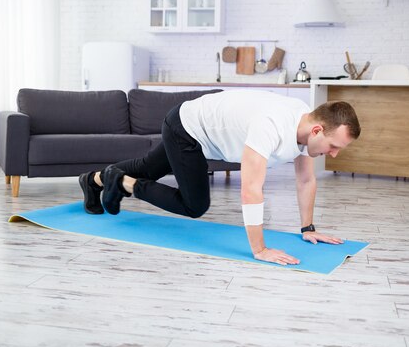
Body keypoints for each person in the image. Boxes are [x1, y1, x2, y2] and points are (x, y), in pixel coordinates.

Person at [79, 90, 360, 266]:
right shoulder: (271, 125)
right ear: (317, 131)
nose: (333, 155)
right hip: (187, 127)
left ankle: (94, 180)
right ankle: (122, 183)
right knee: (194, 205)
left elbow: (306, 181)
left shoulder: (304, 121)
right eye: (333, 146)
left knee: (147, 168)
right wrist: (260, 249)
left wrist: (307, 228)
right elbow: (250, 189)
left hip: (196, 124)